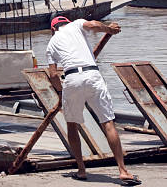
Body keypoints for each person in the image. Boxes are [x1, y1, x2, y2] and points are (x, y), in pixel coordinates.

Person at [46, 16, 141, 185]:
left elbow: (53, 75)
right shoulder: (76, 25)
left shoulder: (51, 43)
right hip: (92, 75)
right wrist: (110, 30)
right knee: (108, 122)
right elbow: (95, 25)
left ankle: (81, 170)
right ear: (67, 22)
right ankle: (123, 171)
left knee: (72, 125)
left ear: (53, 29)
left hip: (72, 78)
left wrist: (62, 93)